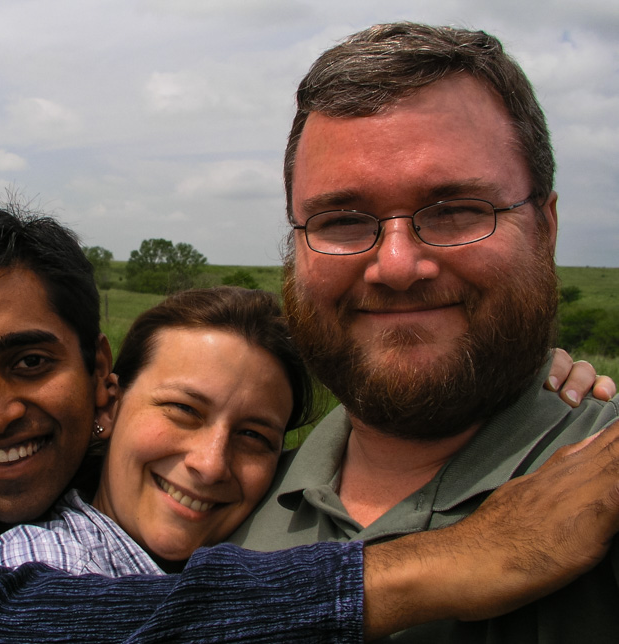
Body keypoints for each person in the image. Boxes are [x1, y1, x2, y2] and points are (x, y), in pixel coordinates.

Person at [0, 205, 619, 644]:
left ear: (99, 377)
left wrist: (509, 373)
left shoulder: (257, 503)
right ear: (116, 401)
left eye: (31, 362)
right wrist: (442, 565)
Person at [230, 22, 619, 643]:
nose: (397, 266)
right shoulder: (222, 498)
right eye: (340, 221)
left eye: (457, 210)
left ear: (545, 228)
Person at [0, 286, 312, 575]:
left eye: (253, 435)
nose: (211, 466)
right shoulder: (40, 571)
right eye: (184, 410)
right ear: (109, 407)